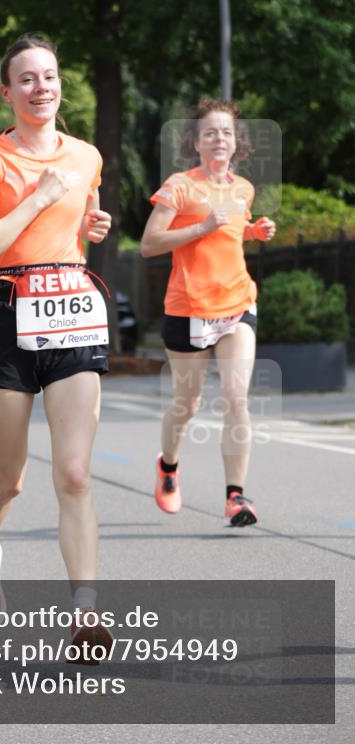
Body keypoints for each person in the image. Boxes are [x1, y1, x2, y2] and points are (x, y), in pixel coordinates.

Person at [0, 33, 113, 655]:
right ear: (7, 91)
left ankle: (85, 615)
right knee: (9, 479)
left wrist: (90, 225)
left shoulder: (86, 155)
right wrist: (40, 197)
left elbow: (82, 224)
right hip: (6, 316)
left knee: (75, 475)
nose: (40, 87)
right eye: (26, 78)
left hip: (72, 313)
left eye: (48, 76)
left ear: (60, 85)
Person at [140, 98, 276, 528]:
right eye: (211, 132)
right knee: (188, 403)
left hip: (237, 304)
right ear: (196, 142)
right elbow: (149, 243)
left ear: (237, 144)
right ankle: (169, 464)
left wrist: (254, 231)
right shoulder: (179, 186)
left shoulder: (243, 189)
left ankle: (235, 497)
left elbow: (231, 235)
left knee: (237, 399)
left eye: (228, 133)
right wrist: (202, 226)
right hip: (188, 308)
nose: (220, 139)